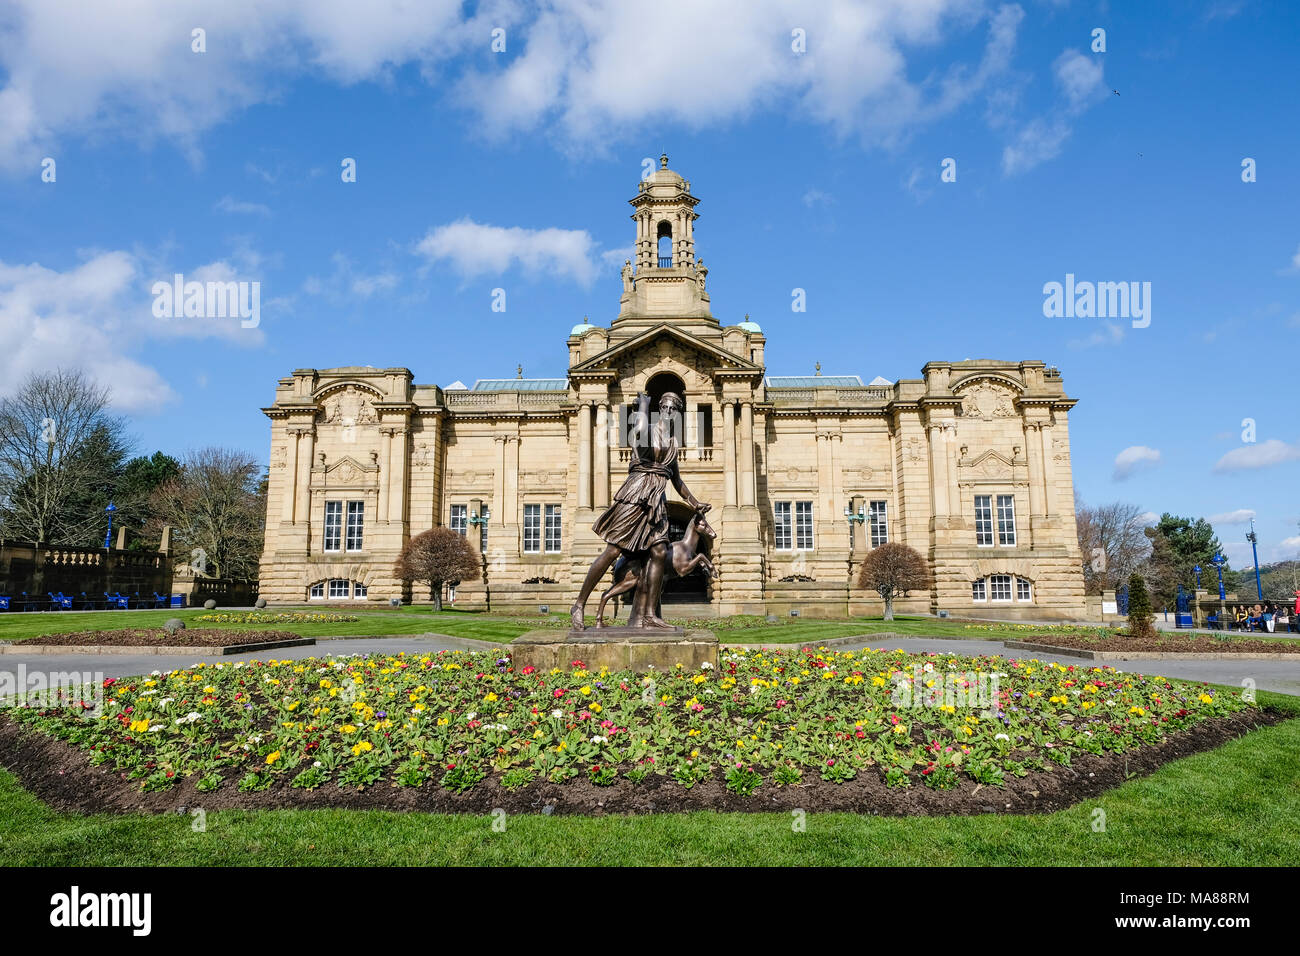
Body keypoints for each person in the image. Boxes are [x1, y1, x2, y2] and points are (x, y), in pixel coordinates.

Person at [570, 390, 710, 630]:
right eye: (664, 407)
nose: (668, 412)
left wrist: (694, 502)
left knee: (658, 552)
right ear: (659, 409)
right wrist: (643, 407)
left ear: (678, 414)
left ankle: (648, 615)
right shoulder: (647, 430)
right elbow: (642, 439)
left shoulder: (673, 444)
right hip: (636, 494)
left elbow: (676, 480)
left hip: (657, 500)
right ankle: (579, 604)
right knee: (613, 551)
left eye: (673, 409)